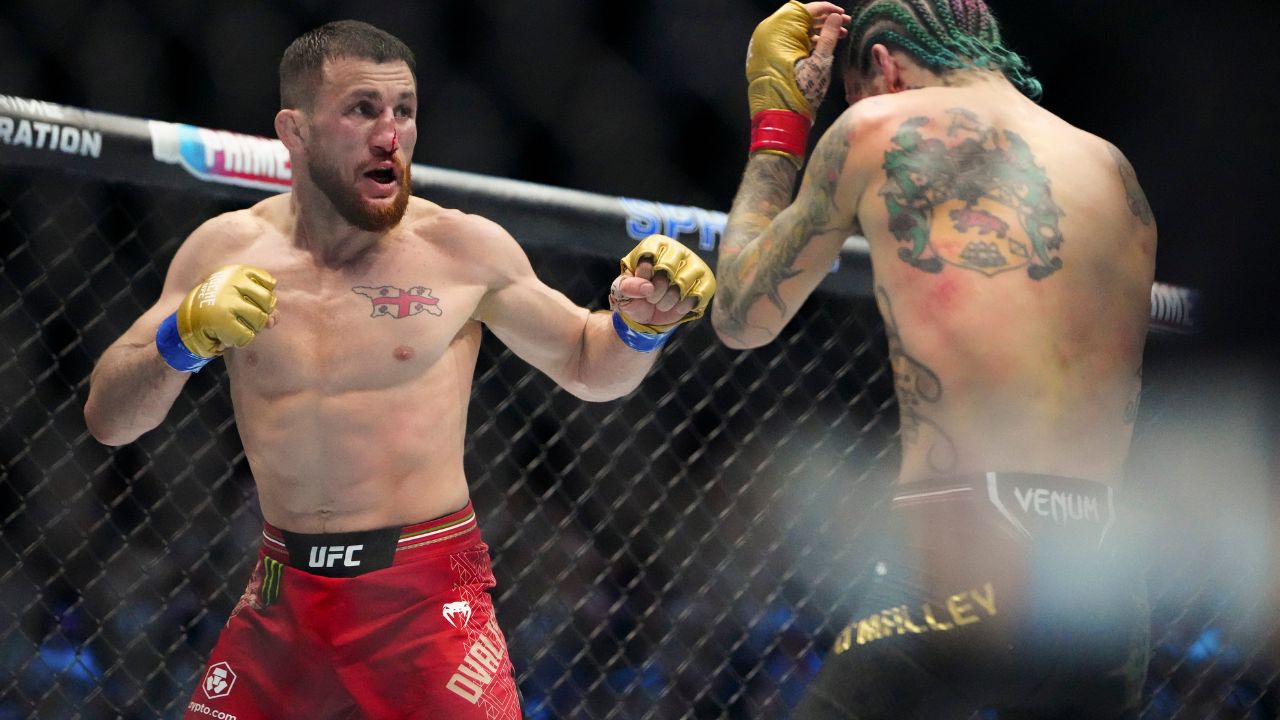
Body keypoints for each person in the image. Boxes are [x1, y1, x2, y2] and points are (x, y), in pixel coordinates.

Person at [82, 20, 714, 720]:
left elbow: (591, 369)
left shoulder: (460, 249)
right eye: (362, 110)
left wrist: (640, 326)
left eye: (404, 111)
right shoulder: (227, 249)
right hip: (282, 589)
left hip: (422, 591)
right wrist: (183, 337)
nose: (390, 135)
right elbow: (110, 421)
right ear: (294, 132)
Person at [712, 1, 1156, 718]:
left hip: (962, 559)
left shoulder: (879, 127)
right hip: (1106, 582)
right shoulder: (1114, 172)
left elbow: (740, 315)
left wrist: (780, 127)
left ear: (884, 68)